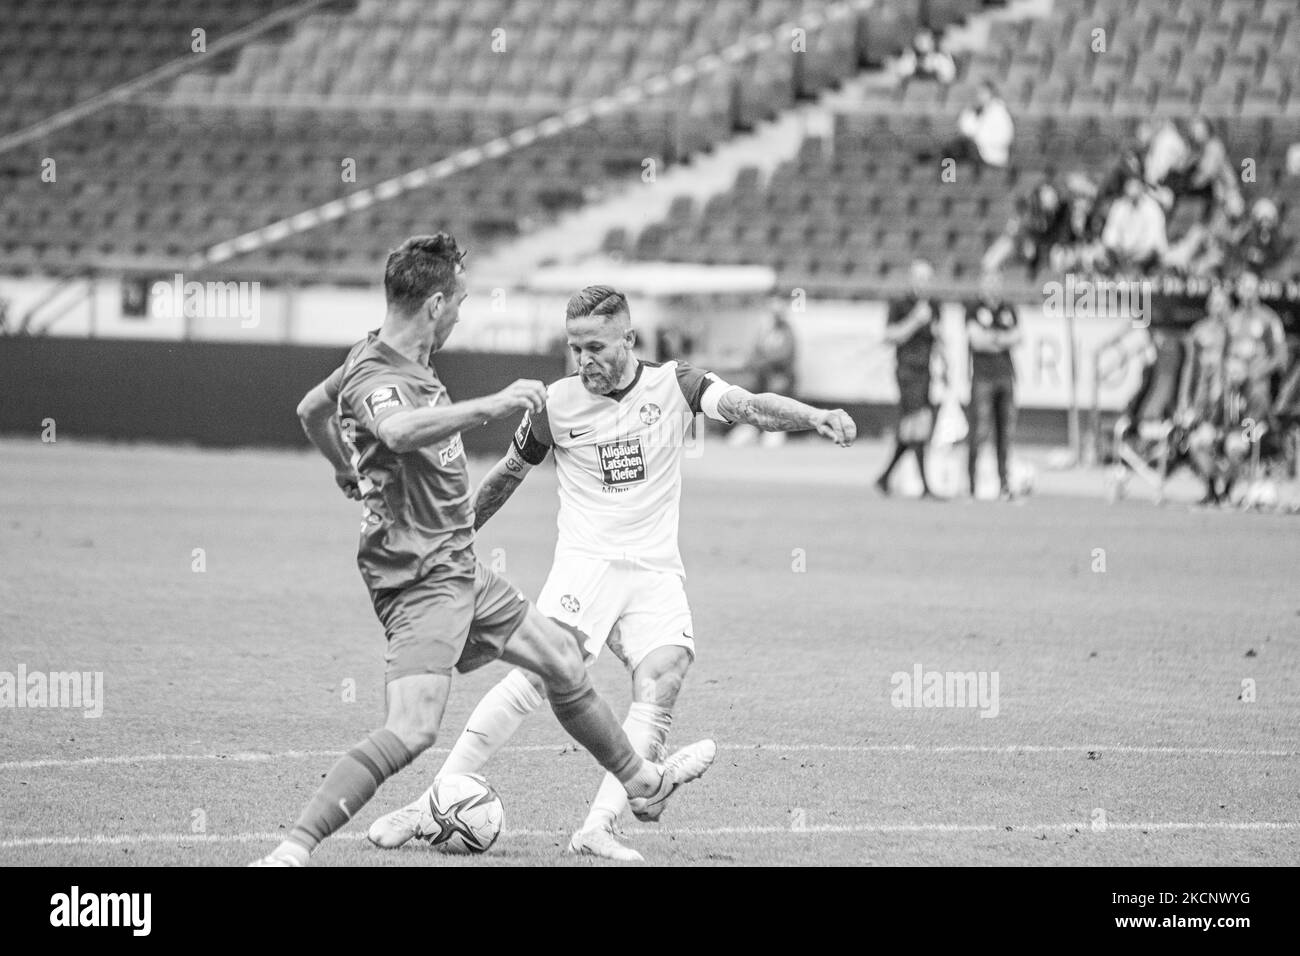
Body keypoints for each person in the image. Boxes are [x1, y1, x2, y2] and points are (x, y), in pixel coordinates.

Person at [250, 239, 716, 866]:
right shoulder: (379, 374)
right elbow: (395, 431)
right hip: (418, 579)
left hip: (458, 566)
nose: (464, 313)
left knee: (560, 663)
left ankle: (640, 782)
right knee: (412, 729)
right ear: (437, 302)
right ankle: (292, 850)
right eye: (461, 301)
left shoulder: (387, 354)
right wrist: (492, 406)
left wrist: (343, 469)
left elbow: (311, 410)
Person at [365, 285, 856, 861]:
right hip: (586, 565)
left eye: (595, 346)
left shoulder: (676, 385)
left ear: (628, 339)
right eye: (575, 348)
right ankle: (430, 802)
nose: (584, 361)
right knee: (535, 679)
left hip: (654, 569)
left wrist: (815, 415)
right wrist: (451, 539)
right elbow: (506, 475)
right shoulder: (555, 403)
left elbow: (748, 407)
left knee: (665, 673)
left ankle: (597, 827)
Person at [876, 260, 946, 497]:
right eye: (921, 278)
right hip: (907, 371)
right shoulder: (900, 305)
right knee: (918, 425)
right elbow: (889, 335)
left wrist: (945, 363)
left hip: (926, 372)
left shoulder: (935, 306)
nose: (925, 283)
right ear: (911, 278)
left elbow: (937, 339)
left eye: (929, 279)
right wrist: (915, 321)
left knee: (911, 429)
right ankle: (925, 485)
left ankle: (885, 477)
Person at [964, 270, 1021, 500]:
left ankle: (1004, 484)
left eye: (996, 283)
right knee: (979, 431)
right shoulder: (972, 308)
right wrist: (1002, 340)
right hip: (983, 378)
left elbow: (1018, 337)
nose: (993, 287)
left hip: (1005, 376)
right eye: (989, 283)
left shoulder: (1008, 308)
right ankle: (971, 484)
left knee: (1004, 433)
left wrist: (992, 339)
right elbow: (977, 340)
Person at [1101, 176, 1167, 272]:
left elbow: (1153, 242)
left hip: (1146, 256)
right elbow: (1109, 236)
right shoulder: (1119, 206)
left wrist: (1135, 254)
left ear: (1141, 187)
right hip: (1123, 255)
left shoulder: (1152, 208)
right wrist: (1119, 250)